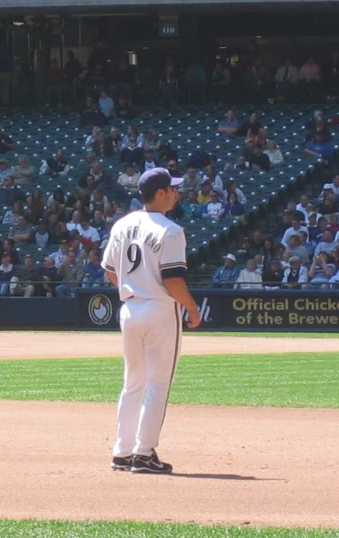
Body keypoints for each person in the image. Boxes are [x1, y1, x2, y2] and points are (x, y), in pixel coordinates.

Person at [101, 167, 201, 475]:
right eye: (172, 188)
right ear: (159, 193)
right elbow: (173, 281)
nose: (176, 193)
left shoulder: (122, 224)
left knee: (133, 383)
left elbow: (109, 272)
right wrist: (193, 309)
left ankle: (122, 451)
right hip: (159, 309)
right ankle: (144, 454)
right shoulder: (170, 230)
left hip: (129, 309)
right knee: (158, 384)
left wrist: (134, 288)